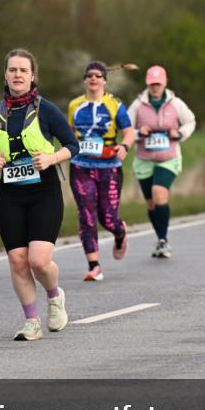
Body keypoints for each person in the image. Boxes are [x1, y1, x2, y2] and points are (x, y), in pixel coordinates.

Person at [0, 49, 78, 340]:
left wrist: (52, 158)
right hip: (10, 196)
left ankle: (55, 296)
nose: (17, 75)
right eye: (12, 70)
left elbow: (73, 145)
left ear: (32, 76)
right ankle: (32, 321)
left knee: (38, 261)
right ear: (5, 75)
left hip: (45, 192)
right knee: (18, 260)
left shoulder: (47, 110)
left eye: (23, 70)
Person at [67, 61, 136, 282]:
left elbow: (129, 132)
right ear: (85, 80)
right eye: (89, 75)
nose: (93, 79)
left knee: (108, 218)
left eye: (98, 76)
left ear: (105, 80)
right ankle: (94, 265)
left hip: (109, 167)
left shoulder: (115, 104)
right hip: (81, 166)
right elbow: (69, 133)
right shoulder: (74, 105)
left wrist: (124, 147)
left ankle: (119, 231)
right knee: (86, 215)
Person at [128, 65, 196, 258]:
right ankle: (160, 239)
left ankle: (164, 241)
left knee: (159, 194)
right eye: (152, 84)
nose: (155, 87)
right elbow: (126, 129)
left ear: (164, 83)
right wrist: (139, 133)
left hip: (168, 158)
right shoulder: (138, 105)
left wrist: (179, 133)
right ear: (147, 84)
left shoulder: (176, 103)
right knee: (151, 204)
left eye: (158, 84)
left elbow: (190, 121)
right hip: (144, 159)